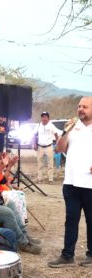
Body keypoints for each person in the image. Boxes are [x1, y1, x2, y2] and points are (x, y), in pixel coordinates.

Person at [48, 96, 92, 268]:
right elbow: (59, 149)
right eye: (79, 106)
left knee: (91, 220)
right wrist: (66, 132)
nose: (80, 109)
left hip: (90, 184)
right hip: (71, 183)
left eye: (85, 107)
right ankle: (67, 256)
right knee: (71, 219)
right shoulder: (73, 127)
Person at [33, 111, 59, 184]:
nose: (44, 118)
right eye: (43, 117)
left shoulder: (51, 125)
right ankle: (39, 179)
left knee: (50, 164)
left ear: (48, 118)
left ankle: (50, 179)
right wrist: (34, 144)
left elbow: (56, 134)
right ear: (41, 118)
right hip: (40, 147)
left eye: (46, 117)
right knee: (39, 164)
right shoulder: (38, 125)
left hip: (49, 147)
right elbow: (35, 135)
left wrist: (57, 144)